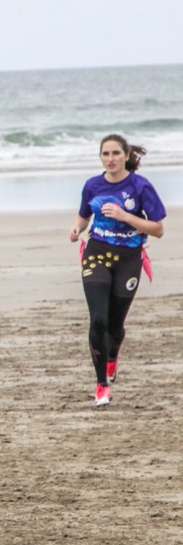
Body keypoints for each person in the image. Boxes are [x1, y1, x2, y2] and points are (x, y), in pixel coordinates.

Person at [69, 134, 166, 406]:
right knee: (98, 320)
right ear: (100, 157)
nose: (110, 159)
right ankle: (102, 385)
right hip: (97, 254)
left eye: (115, 153)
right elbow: (83, 215)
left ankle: (112, 357)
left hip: (129, 258)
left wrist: (125, 216)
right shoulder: (92, 185)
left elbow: (158, 229)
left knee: (114, 325)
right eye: (105, 154)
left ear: (125, 155)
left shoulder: (140, 186)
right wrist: (77, 228)